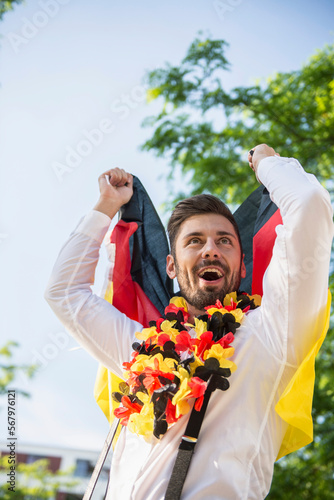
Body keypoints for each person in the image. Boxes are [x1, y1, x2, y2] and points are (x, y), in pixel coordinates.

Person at [45, 144, 333, 499]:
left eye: (224, 241)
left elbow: (310, 205)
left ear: (242, 268)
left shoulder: (272, 334)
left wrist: (268, 163)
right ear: (171, 267)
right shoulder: (139, 347)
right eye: (194, 241)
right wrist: (106, 206)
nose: (210, 249)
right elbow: (64, 292)